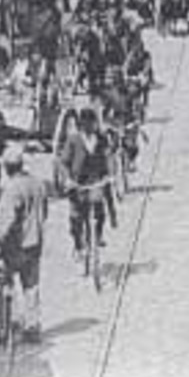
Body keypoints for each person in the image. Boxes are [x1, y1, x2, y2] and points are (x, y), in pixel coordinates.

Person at [0, 146, 51, 342]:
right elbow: (45, 211)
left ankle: (11, 323)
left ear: (7, 167)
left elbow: (7, 220)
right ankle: (32, 326)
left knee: (7, 284)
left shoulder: (12, 189)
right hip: (35, 242)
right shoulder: (38, 183)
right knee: (31, 286)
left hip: (15, 245)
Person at [56, 106, 115, 263]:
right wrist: (68, 179)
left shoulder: (101, 139)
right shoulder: (73, 140)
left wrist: (110, 175)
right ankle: (78, 246)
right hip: (77, 184)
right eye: (86, 123)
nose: (90, 126)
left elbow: (108, 156)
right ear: (81, 125)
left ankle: (98, 236)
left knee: (100, 212)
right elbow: (63, 162)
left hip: (96, 182)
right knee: (76, 218)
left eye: (92, 123)